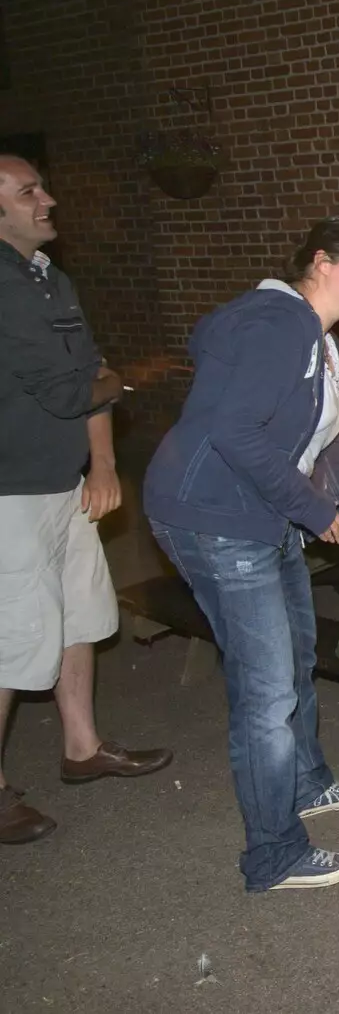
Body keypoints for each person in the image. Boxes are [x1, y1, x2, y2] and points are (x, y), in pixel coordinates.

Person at [144, 216, 339, 892]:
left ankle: (307, 782)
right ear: (320, 262)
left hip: (262, 513)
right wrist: (312, 511)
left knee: (294, 655)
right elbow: (236, 431)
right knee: (265, 694)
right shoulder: (278, 324)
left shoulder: (326, 348)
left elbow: (331, 456)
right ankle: (272, 854)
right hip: (213, 514)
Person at [0, 154, 172, 846]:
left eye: (44, 183)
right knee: (13, 641)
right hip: (9, 494)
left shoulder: (51, 280)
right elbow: (79, 388)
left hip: (66, 483)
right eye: (29, 191)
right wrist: (115, 382)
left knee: (78, 615)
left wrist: (102, 464)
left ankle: (82, 748)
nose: (50, 199)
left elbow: (92, 374)